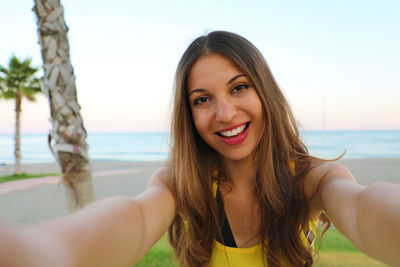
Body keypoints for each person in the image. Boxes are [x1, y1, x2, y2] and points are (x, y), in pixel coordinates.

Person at [1, 31, 400, 267]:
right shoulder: (182, 183)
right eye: (202, 99)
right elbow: (136, 217)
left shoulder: (313, 179)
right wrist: (42, 249)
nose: (225, 113)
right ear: (188, 115)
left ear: (266, 93)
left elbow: (364, 209)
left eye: (239, 87)